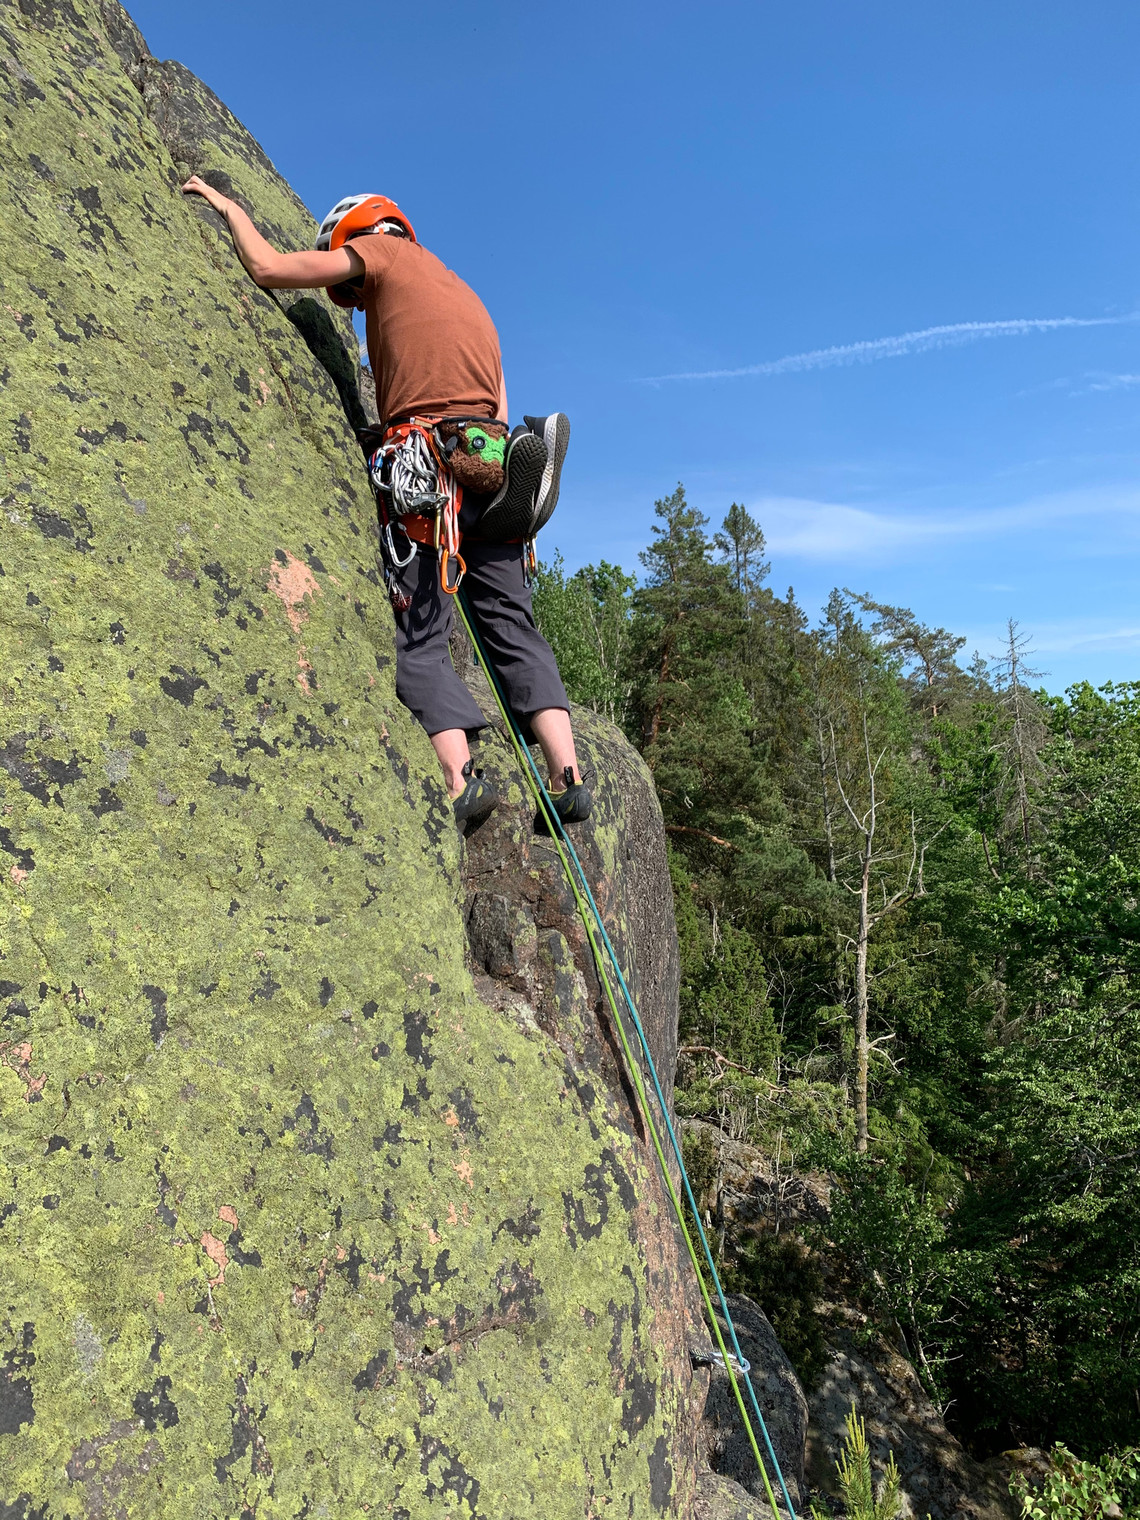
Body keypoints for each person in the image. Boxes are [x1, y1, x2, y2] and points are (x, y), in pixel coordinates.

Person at [181, 177, 591, 826]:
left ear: (361, 235)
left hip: (428, 473)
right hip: (492, 463)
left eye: (352, 287)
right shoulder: (467, 294)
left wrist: (230, 208)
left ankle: (461, 779)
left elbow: (269, 269)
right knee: (511, 625)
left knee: (419, 640)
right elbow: (498, 407)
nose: (356, 300)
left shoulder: (384, 253)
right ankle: (567, 776)